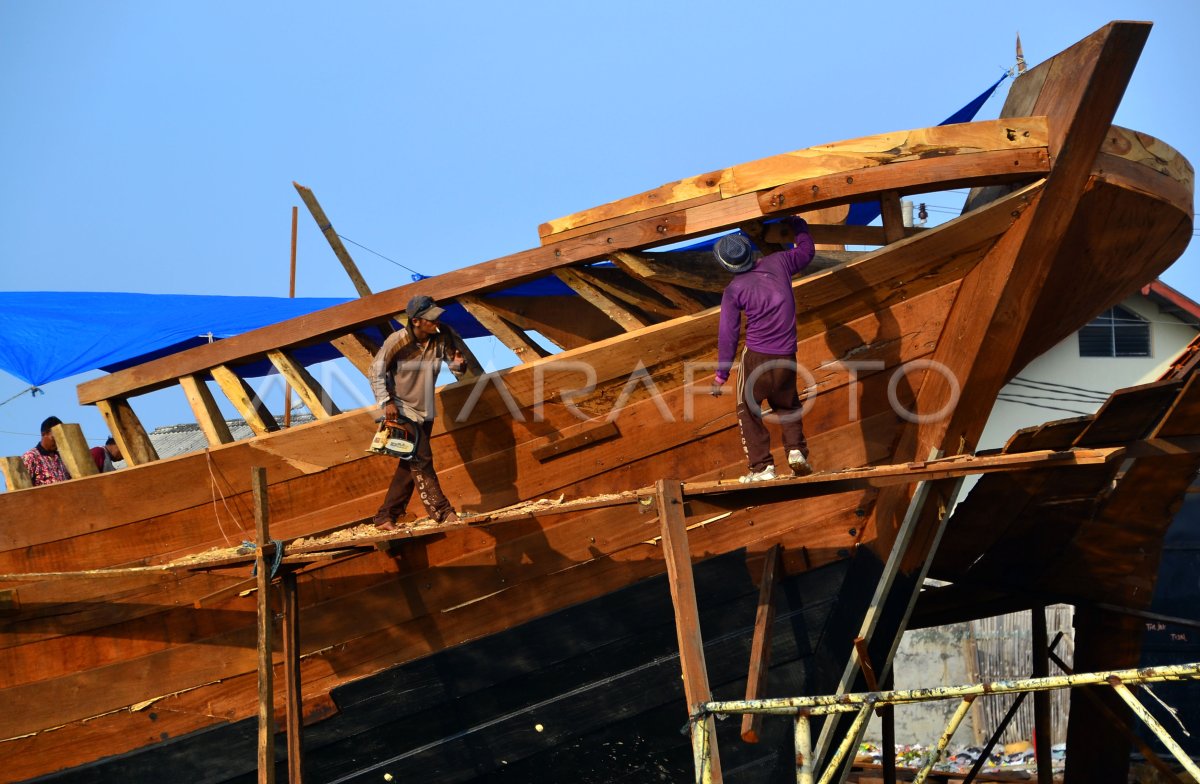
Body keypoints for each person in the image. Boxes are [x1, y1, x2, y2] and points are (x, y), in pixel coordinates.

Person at [711, 217, 816, 483]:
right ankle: (796, 452)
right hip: (787, 356)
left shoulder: (734, 290)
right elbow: (806, 252)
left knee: (747, 408)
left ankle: (762, 468)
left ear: (725, 264)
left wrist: (721, 374)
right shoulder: (779, 262)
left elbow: (728, 334)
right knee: (788, 404)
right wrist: (799, 226)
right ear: (750, 250)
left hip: (756, 357)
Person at [369, 294, 469, 529]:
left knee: (409, 464)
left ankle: (385, 516)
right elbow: (375, 371)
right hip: (401, 409)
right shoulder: (398, 340)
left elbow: (455, 367)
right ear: (415, 321)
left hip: (425, 410)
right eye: (431, 319)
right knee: (422, 459)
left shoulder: (441, 337)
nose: (436, 322)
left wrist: (458, 364)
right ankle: (443, 512)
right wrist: (386, 402)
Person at [21, 416, 70, 486]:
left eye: (60, 438)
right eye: (54, 438)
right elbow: (21, 488)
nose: (57, 441)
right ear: (44, 434)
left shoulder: (62, 457)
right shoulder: (30, 457)